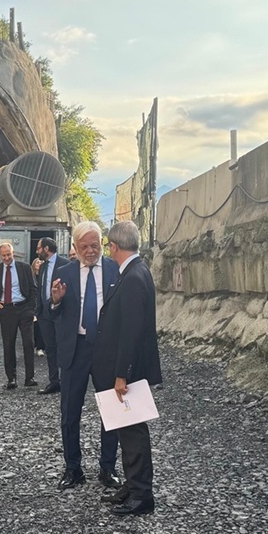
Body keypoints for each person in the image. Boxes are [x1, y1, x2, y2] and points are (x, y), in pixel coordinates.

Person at [92, 220, 163, 516]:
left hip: (126, 372)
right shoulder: (136, 271)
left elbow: (131, 331)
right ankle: (133, 486)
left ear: (113, 247)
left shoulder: (133, 277)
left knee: (133, 431)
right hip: (125, 368)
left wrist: (122, 373)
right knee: (126, 430)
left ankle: (142, 494)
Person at [47, 223, 121, 491]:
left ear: (102, 244)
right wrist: (56, 301)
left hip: (106, 348)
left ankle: (108, 468)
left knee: (111, 410)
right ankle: (73, 468)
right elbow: (53, 312)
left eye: (94, 245)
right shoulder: (64, 272)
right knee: (70, 412)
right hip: (75, 349)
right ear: (75, 248)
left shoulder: (115, 269)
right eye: (84, 247)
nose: (90, 251)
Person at [0, 241, 37, 389]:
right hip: (6, 311)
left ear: (13, 253)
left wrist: (31, 308)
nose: (6, 258)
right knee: (8, 344)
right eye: (4, 255)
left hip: (24, 308)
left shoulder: (24, 268)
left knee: (28, 343)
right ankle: (11, 378)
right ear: (0, 256)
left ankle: (29, 377)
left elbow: (33, 288)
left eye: (9, 254)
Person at [33, 237, 63, 395]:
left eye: (38, 248)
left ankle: (66, 380)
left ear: (46, 249)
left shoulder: (65, 264)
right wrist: (38, 310)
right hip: (44, 314)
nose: (36, 251)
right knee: (50, 348)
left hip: (60, 313)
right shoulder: (43, 266)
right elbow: (41, 288)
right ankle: (54, 381)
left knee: (63, 347)